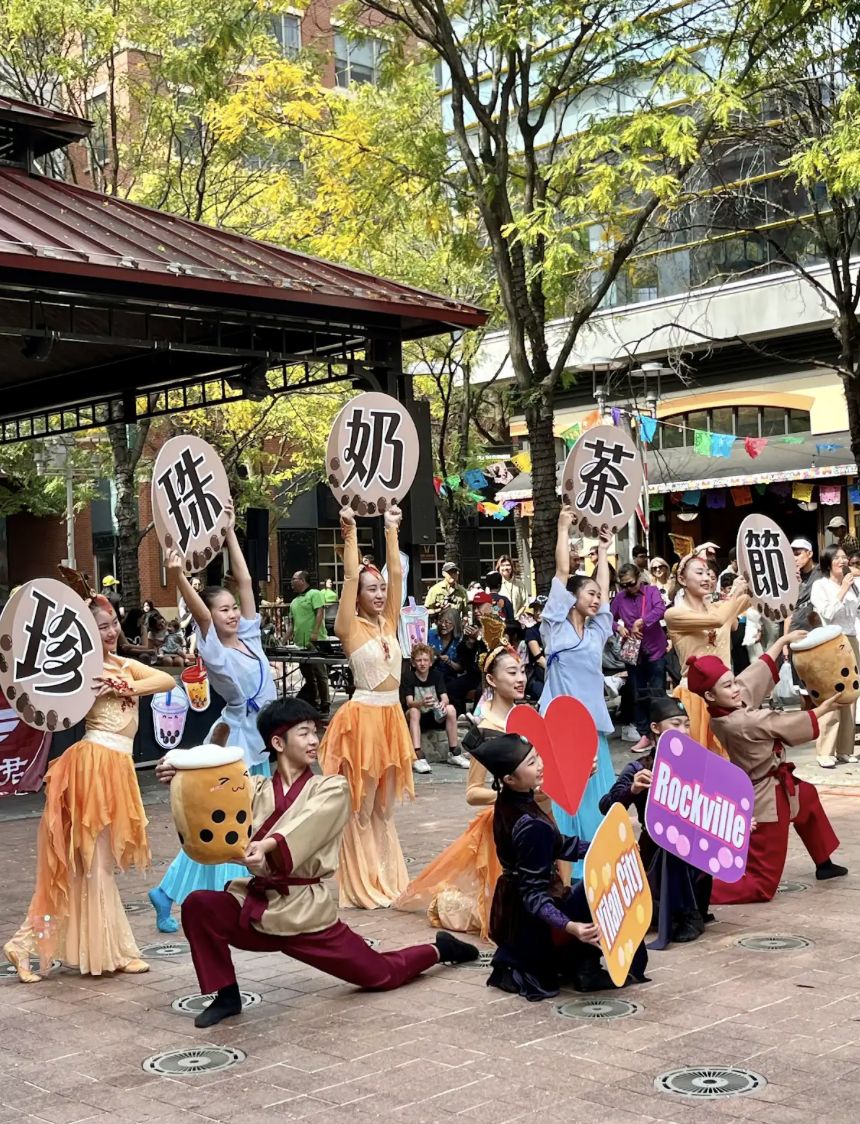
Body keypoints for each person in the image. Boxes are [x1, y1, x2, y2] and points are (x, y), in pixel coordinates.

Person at [156, 698, 478, 1027]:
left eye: (315, 732)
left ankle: (442, 950)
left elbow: (309, 823)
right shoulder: (254, 787)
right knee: (199, 904)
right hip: (257, 904)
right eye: (304, 733)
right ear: (278, 743)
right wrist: (182, 771)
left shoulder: (332, 787)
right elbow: (214, 791)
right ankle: (226, 996)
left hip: (304, 914)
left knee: (382, 975)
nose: (314, 741)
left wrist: (268, 845)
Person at [4, 597, 175, 982]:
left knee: (92, 867)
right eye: (102, 626)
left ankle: (32, 943)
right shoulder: (79, 670)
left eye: (113, 622)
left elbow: (166, 680)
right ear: (84, 633)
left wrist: (122, 682)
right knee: (90, 865)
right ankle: (106, 951)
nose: (112, 631)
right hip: (93, 767)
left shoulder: (120, 664)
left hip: (115, 767)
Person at [148, 503, 278, 933]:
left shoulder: (250, 636)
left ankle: (179, 894)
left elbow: (244, 580)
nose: (232, 613)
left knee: (242, 825)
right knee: (227, 827)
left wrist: (229, 532)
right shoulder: (215, 650)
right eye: (224, 610)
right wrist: (180, 577)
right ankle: (217, 899)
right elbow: (202, 616)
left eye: (232, 609)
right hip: (239, 744)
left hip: (261, 739)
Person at [475, 733, 649, 999]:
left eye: (537, 757)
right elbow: (533, 894)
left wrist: (609, 847)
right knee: (595, 889)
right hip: (531, 921)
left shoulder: (512, 799)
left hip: (513, 907)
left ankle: (578, 962)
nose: (540, 765)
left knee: (591, 882)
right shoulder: (530, 824)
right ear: (509, 779)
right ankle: (585, 969)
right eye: (531, 763)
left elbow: (559, 845)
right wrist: (572, 927)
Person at [687, 640, 848, 904]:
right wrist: (826, 707)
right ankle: (690, 895)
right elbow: (783, 723)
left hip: (777, 783)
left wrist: (783, 641)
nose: (736, 688)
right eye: (728, 685)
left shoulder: (727, 705)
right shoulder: (739, 722)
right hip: (765, 798)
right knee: (762, 884)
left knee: (806, 797)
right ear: (710, 696)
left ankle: (824, 862)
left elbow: (754, 675)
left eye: (733, 681)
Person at [317, 503, 415, 909]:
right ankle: (362, 883)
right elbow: (351, 575)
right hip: (363, 719)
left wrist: (391, 529)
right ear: (356, 595)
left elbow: (396, 575)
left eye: (380, 590)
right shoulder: (348, 626)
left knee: (384, 809)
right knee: (361, 806)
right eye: (370, 590)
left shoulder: (389, 621)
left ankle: (388, 878)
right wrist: (351, 532)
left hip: (391, 717)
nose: (378, 594)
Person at [395, 647, 529, 939]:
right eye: (512, 673)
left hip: (538, 821)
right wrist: (510, 793)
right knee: (502, 921)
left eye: (522, 671)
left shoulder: (530, 719)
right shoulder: (484, 731)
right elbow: (473, 793)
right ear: (491, 680)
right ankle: (447, 904)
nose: (521, 679)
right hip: (505, 828)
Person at [599, 697, 712, 947]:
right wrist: (633, 789)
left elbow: (717, 805)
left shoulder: (699, 764)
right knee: (666, 844)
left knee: (678, 843)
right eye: (675, 724)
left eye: (686, 724)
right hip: (653, 851)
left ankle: (690, 914)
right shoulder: (640, 768)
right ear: (655, 728)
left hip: (691, 853)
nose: (683, 731)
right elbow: (606, 806)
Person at [540, 505, 615, 875]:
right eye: (589, 593)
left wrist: (603, 550)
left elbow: (603, 588)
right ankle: (570, 865)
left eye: (598, 594)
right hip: (561, 724)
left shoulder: (598, 630)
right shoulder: (555, 626)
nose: (597, 598)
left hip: (594, 723)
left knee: (598, 795)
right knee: (567, 793)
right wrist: (563, 526)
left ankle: (599, 859)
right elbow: (562, 572)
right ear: (570, 598)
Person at [664, 554, 750, 758]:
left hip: (727, 694)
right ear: (682, 580)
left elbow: (757, 598)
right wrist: (734, 595)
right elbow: (718, 620)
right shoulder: (674, 614)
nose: (707, 578)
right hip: (694, 697)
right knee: (696, 762)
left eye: (709, 574)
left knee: (730, 760)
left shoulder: (720, 606)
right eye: (699, 573)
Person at [810, 545, 860, 767]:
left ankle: (845, 749)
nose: (842, 561)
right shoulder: (820, 586)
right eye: (837, 558)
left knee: (852, 694)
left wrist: (850, 587)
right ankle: (825, 751)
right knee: (833, 694)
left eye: (844, 557)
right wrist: (842, 590)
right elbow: (827, 614)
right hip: (831, 640)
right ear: (828, 562)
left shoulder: (854, 585)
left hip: (852, 640)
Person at [611, 562, 667, 751]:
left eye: (631, 583)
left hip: (654, 649)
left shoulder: (651, 592)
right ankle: (645, 734)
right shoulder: (620, 598)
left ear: (639, 579)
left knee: (657, 693)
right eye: (623, 585)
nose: (628, 588)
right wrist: (618, 627)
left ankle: (660, 733)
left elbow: (660, 610)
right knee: (637, 693)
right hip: (634, 654)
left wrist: (641, 622)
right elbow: (607, 617)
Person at [402, 643, 469, 771]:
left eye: (425, 660)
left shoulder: (436, 676)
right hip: (416, 716)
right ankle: (417, 756)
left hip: (434, 715)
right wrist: (421, 702)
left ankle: (454, 752)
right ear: (413, 663)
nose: (422, 663)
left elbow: (445, 697)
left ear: (431, 662)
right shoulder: (409, 676)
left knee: (450, 709)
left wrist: (442, 704)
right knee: (414, 711)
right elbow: (409, 702)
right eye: (419, 660)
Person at [446, 592, 500, 715]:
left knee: (481, 691)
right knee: (451, 687)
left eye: (479, 606)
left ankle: (478, 723)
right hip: (473, 674)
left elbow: (496, 649)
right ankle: (460, 718)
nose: (476, 610)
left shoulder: (497, 625)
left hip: (491, 675)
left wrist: (479, 638)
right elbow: (462, 656)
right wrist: (469, 642)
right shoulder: (474, 626)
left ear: (490, 607)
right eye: (474, 607)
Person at [289, 570, 330, 717]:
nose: (291, 581)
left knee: (320, 673)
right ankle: (313, 701)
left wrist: (315, 632)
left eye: (294, 579)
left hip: (315, 641)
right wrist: (282, 640)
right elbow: (293, 624)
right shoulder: (294, 602)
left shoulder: (315, 594)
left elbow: (320, 612)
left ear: (302, 580)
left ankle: (325, 703)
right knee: (307, 674)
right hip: (300, 643)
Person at [427, 605, 462, 684]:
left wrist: (449, 662)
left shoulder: (459, 641)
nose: (443, 625)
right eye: (441, 621)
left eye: (447, 622)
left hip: (449, 682)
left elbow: (461, 669)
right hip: (428, 678)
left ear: (455, 624)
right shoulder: (429, 634)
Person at [524, 596, 546, 701]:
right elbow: (540, 660)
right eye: (536, 609)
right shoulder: (531, 632)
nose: (537, 612)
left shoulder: (557, 630)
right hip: (538, 676)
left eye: (541, 609)